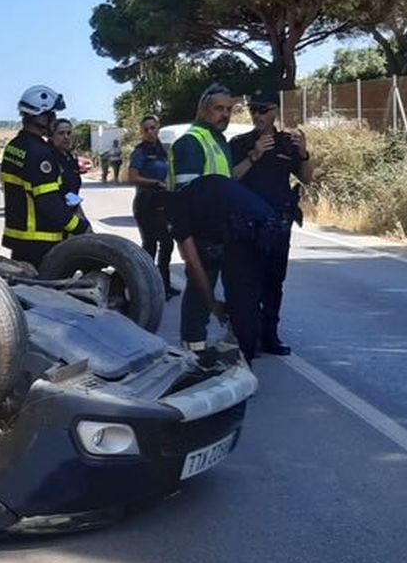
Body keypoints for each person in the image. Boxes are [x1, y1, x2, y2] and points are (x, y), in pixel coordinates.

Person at [167, 83, 281, 362]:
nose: (225, 115)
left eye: (229, 109)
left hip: (222, 231)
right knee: (199, 291)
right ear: (202, 109)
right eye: (219, 109)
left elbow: (228, 181)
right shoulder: (191, 142)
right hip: (201, 233)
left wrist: (253, 157)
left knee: (228, 289)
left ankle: (228, 346)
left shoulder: (218, 141)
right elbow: (187, 201)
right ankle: (193, 352)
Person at [228, 91, 314, 355]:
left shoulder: (287, 143)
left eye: (263, 110)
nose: (257, 115)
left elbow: (306, 178)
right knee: (249, 282)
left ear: (275, 110)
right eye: (253, 110)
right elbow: (229, 178)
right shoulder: (240, 143)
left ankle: (270, 336)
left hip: (278, 224)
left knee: (274, 281)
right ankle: (249, 337)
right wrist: (253, 156)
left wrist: (304, 153)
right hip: (248, 225)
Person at [1, 85, 87, 268]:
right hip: (41, 240)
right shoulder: (40, 153)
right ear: (40, 116)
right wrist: (79, 227)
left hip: (20, 238)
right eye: (51, 115)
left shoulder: (14, 146)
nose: (54, 120)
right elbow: (48, 202)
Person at [126, 115, 178, 299]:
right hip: (146, 201)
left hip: (162, 200)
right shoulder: (140, 152)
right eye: (146, 129)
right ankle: (147, 286)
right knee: (150, 245)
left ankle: (164, 284)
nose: (150, 132)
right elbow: (132, 177)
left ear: (158, 128)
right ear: (142, 131)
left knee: (167, 243)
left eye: (153, 128)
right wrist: (154, 182)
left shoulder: (162, 150)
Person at [52, 119, 92, 233]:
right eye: (61, 133)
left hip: (71, 212)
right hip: (56, 217)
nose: (66, 137)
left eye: (69, 133)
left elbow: (72, 192)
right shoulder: (49, 158)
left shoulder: (70, 158)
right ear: (51, 135)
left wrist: (83, 219)